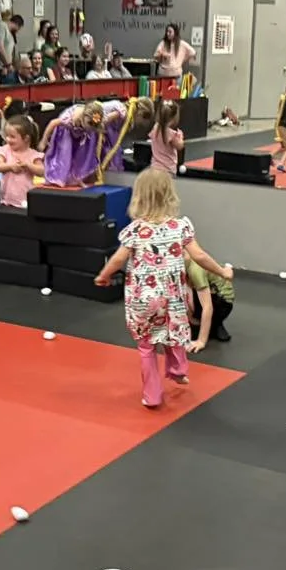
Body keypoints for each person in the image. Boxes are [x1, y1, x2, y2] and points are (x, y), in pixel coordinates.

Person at [94, 170, 233, 407]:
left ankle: (152, 395)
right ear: (170, 196)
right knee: (174, 334)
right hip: (171, 298)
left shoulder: (135, 230)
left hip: (143, 299)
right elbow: (199, 256)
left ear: (138, 198)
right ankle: (178, 369)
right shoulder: (180, 226)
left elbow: (118, 259)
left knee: (146, 347)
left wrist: (104, 276)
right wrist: (222, 271)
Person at [39, 97, 155, 187]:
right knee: (67, 153)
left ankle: (79, 176)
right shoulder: (122, 112)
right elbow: (104, 121)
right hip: (91, 124)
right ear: (141, 114)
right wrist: (43, 141)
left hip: (94, 125)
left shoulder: (126, 116)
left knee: (84, 155)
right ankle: (59, 177)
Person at [0, 114, 43, 207]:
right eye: (7, 136)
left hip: (25, 201)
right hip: (6, 200)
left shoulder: (33, 155)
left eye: (12, 137)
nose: (8, 139)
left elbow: (42, 171)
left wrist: (29, 165)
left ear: (26, 138)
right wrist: (10, 167)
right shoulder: (5, 150)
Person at [187, 249, 234, 345]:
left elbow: (207, 307)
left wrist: (201, 341)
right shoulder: (187, 263)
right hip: (218, 298)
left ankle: (199, 325)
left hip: (222, 304)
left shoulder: (195, 269)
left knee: (182, 293)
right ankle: (214, 324)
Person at [148, 99, 184, 176]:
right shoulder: (172, 134)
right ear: (175, 117)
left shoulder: (155, 128)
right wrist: (180, 137)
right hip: (168, 170)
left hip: (154, 168)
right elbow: (180, 146)